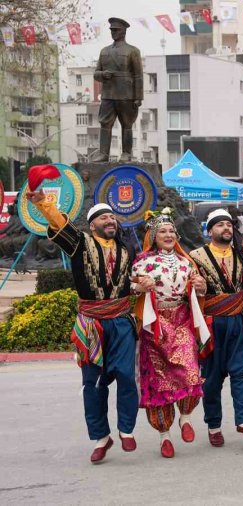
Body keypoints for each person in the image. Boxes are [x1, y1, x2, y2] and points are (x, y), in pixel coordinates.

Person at [25, 183, 139, 464]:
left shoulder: (127, 248)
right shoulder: (80, 243)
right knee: (94, 383)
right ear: (92, 224)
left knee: (126, 376)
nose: (110, 220)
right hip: (91, 324)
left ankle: (126, 429)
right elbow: (59, 223)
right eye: (103, 217)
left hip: (122, 321)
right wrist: (43, 204)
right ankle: (101, 437)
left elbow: (133, 277)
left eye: (112, 216)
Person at [131, 208, 208, 458]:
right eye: (162, 231)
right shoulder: (142, 262)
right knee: (158, 381)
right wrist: (140, 286)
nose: (168, 234)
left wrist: (201, 287)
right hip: (155, 325)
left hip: (182, 320)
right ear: (153, 235)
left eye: (171, 231)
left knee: (190, 372)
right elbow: (129, 288)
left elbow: (198, 291)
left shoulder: (187, 262)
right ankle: (164, 435)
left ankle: (185, 418)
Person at [189, 209, 243, 447]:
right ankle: (214, 425)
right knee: (212, 379)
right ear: (209, 231)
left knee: (242, 371)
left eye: (229, 225)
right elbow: (186, 287)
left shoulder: (241, 254)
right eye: (219, 225)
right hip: (211, 323)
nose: (226, 228)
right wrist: (196, 286)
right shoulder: (196, 256)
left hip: (237, 320)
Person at [91, 17, 142, 162]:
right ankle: (103, 153)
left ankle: (126, 153)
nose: (113, 33)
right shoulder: (104, 51)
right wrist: (102, 74)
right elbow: (96, 73)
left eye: (116, 30)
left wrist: (138, 97)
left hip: (126, 94)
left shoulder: (132, 51)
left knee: (127, 124)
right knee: (105, 123)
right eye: (112, 30)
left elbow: (138, 75)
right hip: (108, 93)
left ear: (124, 31)